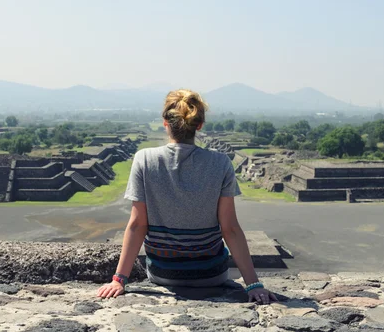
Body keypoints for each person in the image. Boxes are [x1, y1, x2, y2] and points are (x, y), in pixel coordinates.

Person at [97, 89, 277, 304]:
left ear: (165, 122)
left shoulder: (144, 159)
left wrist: (119, 280)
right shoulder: (220, 163)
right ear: (199, 125)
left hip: (163, 276)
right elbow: (230, 229)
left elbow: (137, 225)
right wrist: (253, 284)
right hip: (212, 276)